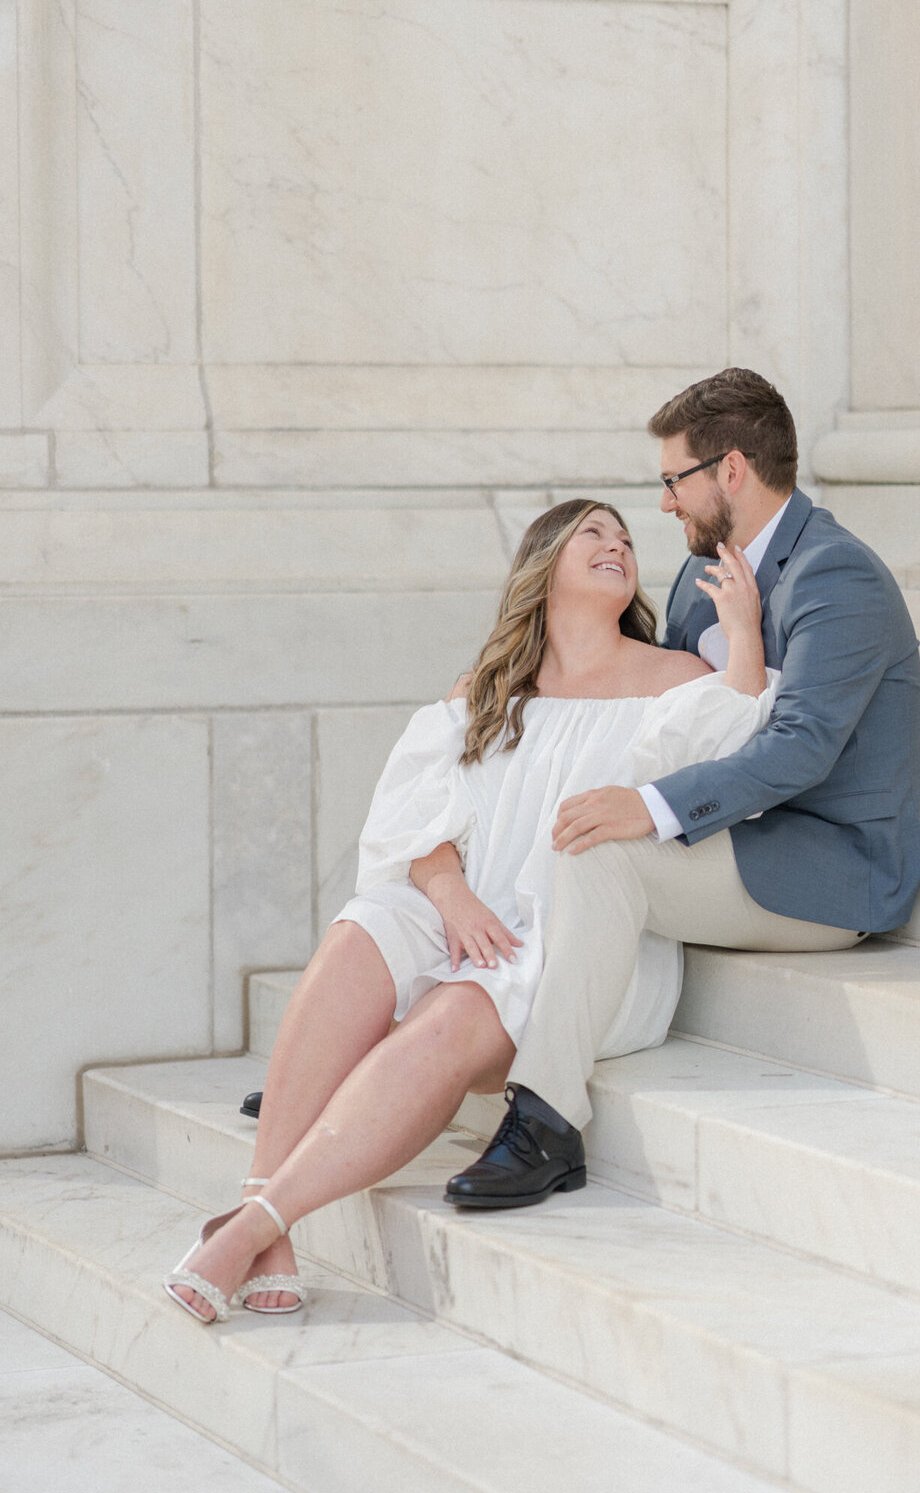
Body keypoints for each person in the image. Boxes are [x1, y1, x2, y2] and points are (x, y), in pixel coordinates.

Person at [164, 496, 778, 1323]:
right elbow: (415, 820)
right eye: (592, 532)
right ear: (544, 563)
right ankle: (259, 1215)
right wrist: (450, 898)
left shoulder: (669, 678)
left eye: (626, 538)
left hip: (578, 941)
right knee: (365, 927)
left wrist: (742, 632)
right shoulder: (489, 689)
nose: (617, 544)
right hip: (470, 907)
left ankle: (255, 1227)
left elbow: (733, 746)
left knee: (461, 1003)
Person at [446, 366, 920, 1210]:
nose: (665, 504)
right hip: (731, 840)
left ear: (730, 470)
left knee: (604, 854)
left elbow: (802, 747)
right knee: (548, 822)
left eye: (675, 479)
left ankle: (547, 1121)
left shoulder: (836, 576)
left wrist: (651, 807)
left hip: (827, 865)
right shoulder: (698, 576)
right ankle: (397, 1065)